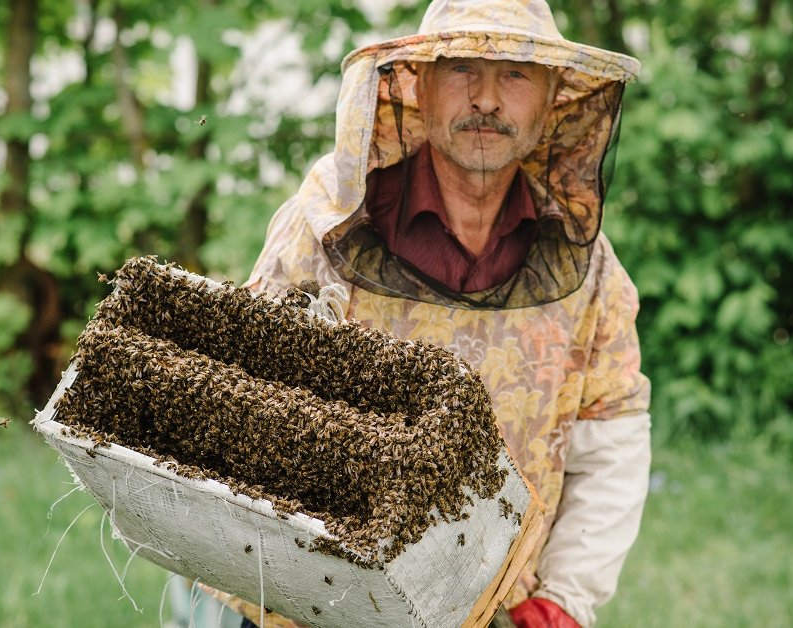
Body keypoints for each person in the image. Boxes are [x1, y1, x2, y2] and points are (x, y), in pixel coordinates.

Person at [213, 1, 652, 626]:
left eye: (516, 75)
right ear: (419, 85)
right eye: (462, 70)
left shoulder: (591, 270)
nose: (488, 100)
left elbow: (611, 442)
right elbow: (253, 415)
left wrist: (561, 599)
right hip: (320, 599)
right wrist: (456, 545)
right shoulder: (326, 228)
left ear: (554, 97)